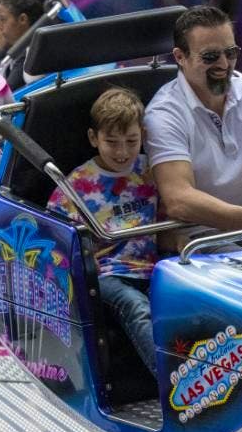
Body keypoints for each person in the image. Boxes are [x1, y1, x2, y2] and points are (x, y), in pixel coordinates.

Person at [144, 5, 242, 249]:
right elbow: (179, 199)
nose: (224, 64)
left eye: (231, 53)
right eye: (210, 57)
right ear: (180, 57)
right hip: (198, 239)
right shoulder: (163, 114)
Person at [47, 88, 163, 378]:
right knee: (135, 306)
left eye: (131, 141)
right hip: (106, 274)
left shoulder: (152, 169)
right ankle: (172, 386)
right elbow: (58, 241)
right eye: (112, 142)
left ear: (143, 136)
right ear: (93, 138)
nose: (123, 152)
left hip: (155, 266)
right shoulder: (75, 185)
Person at [0, 0, 52, 91]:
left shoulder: (29, 57)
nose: (0, 27)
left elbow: (6, 92)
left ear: (22, 19)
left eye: (3, 20)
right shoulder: (9, 50)